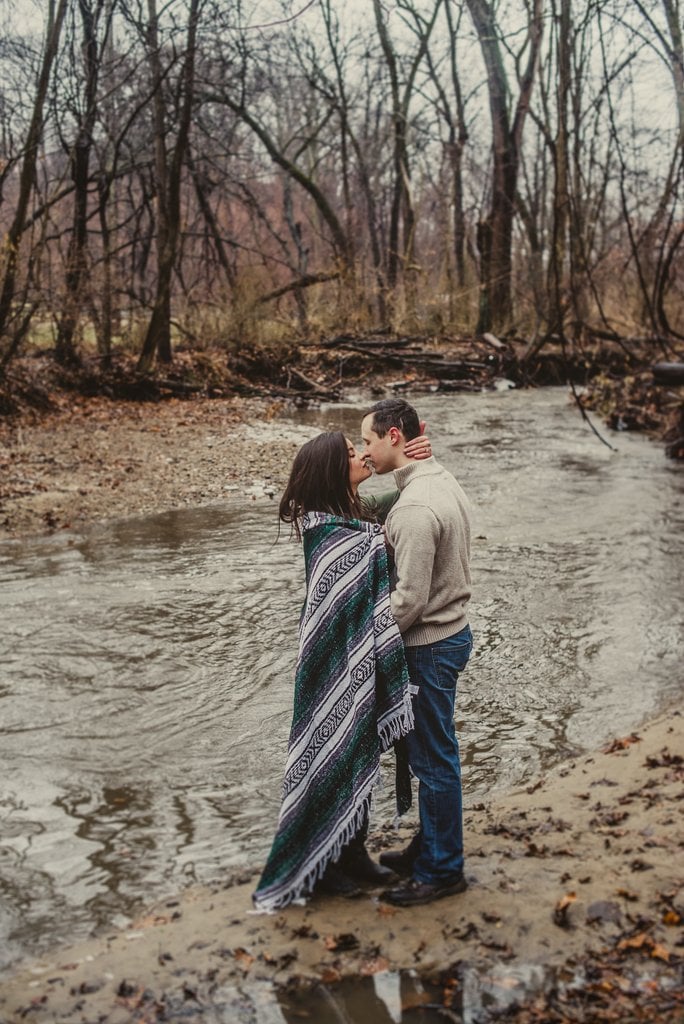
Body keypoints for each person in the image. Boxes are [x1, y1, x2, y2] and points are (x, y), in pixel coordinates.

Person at [252, 429, 430, 912]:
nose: (361, 455)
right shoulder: (324, 529)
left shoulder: (356, 512)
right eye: (352, 453)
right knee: (334, 747)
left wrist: (413, 463)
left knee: (359, 745)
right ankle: (327, 861)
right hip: (332, 660)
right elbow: (338, 596)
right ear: (334, 468)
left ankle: (351, 851)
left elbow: (400, 495)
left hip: (362, 653)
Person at [360, 398, 473, 907]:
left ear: (395, 438)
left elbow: (410, 599)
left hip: (430, 644)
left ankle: (443, 870)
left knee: (433, 761)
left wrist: (366, 640)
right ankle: (430, 844)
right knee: (434, 753)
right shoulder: (438, 478)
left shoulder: (412, 511)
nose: (365, 451)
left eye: (368, 440)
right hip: (452, 634)